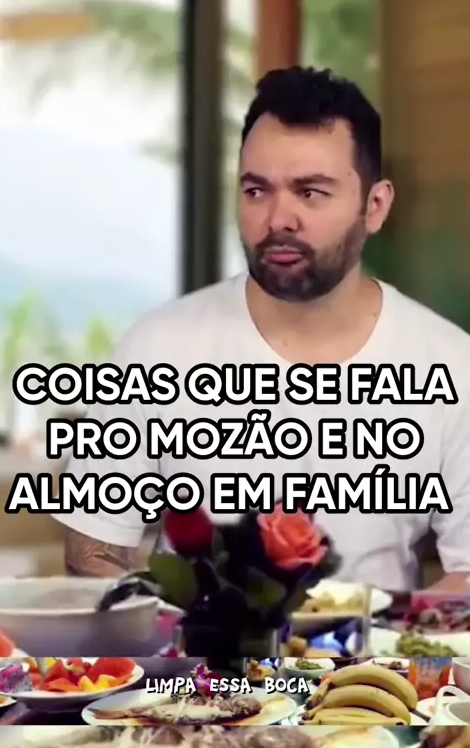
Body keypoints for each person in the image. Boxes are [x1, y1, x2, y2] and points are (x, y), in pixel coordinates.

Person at [55, 67, 470, 592]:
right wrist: (173, 622)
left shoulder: (450, 365)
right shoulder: (158, 349)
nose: (278, 219)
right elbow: (93, 548)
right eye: (256, 190)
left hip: (376, 645)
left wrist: (403, 632)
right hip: (195, 646)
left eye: (310, 192)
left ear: (375, 206)